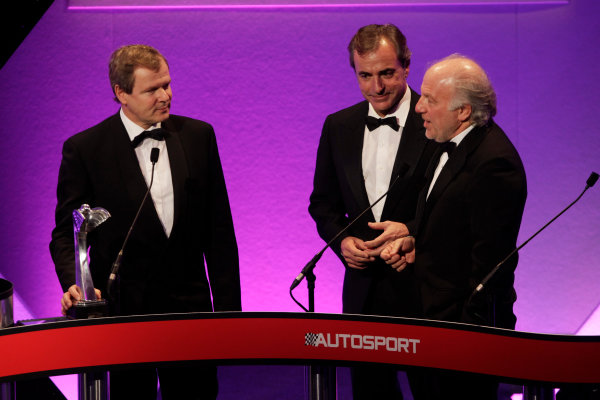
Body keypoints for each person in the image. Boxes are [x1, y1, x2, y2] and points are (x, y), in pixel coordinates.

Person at [50, 44, 241, 400]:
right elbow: (66, 230)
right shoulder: (87, 148)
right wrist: (74, 282)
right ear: (121, 93)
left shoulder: (199, 136)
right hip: (125, 309)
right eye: (152, 89)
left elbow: (219, 232)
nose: (165, 96)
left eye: (167, 85)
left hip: (191, 309)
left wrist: (229, 316)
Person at [380, 54, 527, 399]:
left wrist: (464, 340)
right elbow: (452, 221)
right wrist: (415, 237)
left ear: (463, 111)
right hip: (432, 324)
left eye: (430, 99)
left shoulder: (494, 163)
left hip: (463, 337)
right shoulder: (445, 143)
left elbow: (490, 265)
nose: (419, 108)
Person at [308, 24, 436, 399]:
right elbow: (322, 204)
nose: (376, 87)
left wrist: (412, 232)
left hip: (423, 289)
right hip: (364, 292)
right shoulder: (339, 126)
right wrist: (342, 240)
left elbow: (452, 204)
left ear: (407, 68)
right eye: (365, 75)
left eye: (386, 74)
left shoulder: (433, 119)